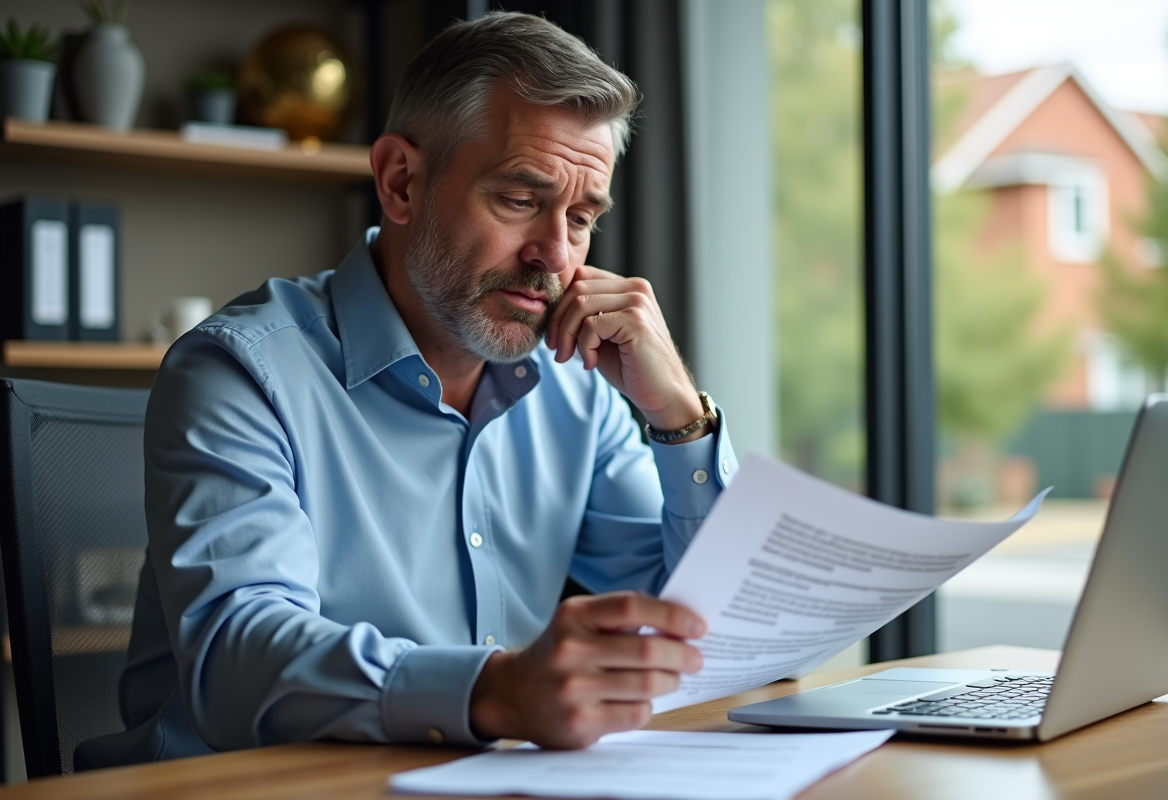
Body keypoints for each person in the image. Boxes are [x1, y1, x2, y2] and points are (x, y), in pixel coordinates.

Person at [77, 11, 738, 769]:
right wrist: (494, 691)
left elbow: (711, 627)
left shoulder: (575, 390)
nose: (556, 256)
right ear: (401, 182)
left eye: (582, 217)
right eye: (520, 200)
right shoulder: (238, 372)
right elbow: (237, 659)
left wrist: (678, 417)